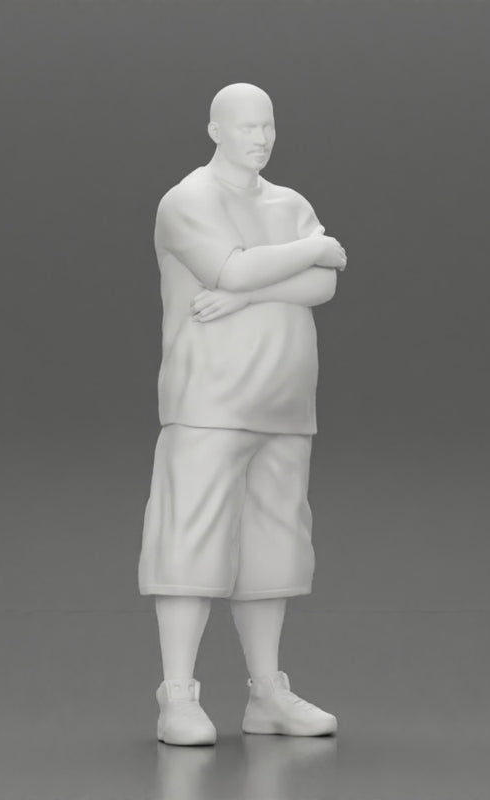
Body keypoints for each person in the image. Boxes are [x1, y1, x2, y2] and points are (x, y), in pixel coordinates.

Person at [138, 82, 347, 746]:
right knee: (189, 540)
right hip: (209, 400)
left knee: (273, 548)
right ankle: (177, 695)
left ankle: (267, 694)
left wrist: (249, 293)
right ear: (214, 130)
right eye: (246, 126)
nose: (260, 138)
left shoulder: (290, 203)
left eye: (268, 126)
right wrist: (307, 253)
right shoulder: (187, 200)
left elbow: (326, 282)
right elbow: (230, 268)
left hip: (285, 403)